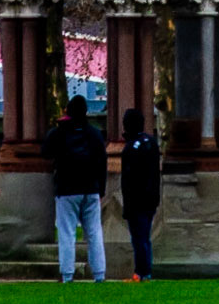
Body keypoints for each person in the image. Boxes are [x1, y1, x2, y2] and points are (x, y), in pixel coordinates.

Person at [43, 94, 107, 283]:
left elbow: (45, 151)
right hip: (91, 188)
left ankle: (68, 274)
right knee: (94, 232)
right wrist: (100, 189)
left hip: (67, 189)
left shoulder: (60, 133)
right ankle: (99, 274)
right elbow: (102, 163)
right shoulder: (94, 133)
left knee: (67, 233)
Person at [120, 107, 161, 281]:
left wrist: (127, 205)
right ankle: (145, 271)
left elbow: (128, 180)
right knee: (145, 237)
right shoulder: (151, 143)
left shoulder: (131, 148)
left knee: (139, 237)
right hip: (150, 198)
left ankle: (141, 272)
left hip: (137, 200)